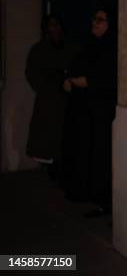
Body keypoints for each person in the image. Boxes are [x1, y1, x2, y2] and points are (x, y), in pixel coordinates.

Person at [63, 8, 117, 215]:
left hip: (101, 111)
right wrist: (68, 81)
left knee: (99, 153)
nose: (95, 23)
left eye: (101, 20)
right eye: (94, 19)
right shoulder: (88, 45)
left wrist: (80, 81)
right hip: (83, 110)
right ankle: (84, 191)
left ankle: (101, 196)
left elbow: (101, 78)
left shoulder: (111, 48)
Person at [26, 15, 74, 178]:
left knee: (62, 138)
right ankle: (49, 170)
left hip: (65, 100)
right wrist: (49, 86)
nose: (55, 28)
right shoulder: (39, 50)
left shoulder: (68, 47)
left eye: (58, 25)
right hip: (48, 100)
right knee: (46, 138)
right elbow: (32, 74)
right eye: (51, 25)